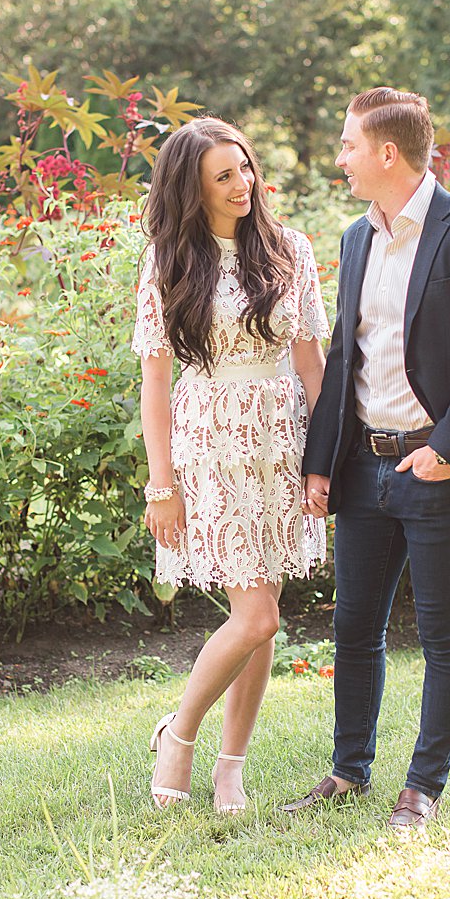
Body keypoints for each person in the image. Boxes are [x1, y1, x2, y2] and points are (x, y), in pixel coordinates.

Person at [283, 87, 450, 830]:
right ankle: (348, 771)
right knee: (353, 627)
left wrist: (448, 450)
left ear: (387, 152)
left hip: (438, 471)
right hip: (363, 466)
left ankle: (421, 787)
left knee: (442, 634)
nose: (342, 158)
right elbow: (343, 355)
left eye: (349, 145)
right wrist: (321, 461)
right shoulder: (357, 237)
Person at [133, 117, 331, 813]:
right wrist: (162, 485)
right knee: (256, 615)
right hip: (209, 443)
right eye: (224, 175)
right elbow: (154, 382)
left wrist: (323, 457)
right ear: (194, 188)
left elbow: (311, 362)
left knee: (266, 611)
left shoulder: (290, 250)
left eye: (245, 167)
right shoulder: (167, 261)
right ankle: (178, 734)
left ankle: (230, 768)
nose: (243, 183)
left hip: (280, 440)